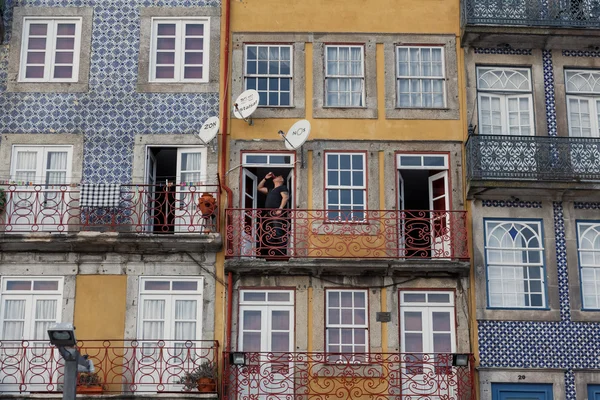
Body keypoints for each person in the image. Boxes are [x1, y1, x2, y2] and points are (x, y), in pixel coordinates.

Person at [258, 172, 289, 257]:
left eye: (278, 176)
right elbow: (259, 188)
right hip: (269, 214)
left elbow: (285, 197)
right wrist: (265, 178)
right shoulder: (271, 190)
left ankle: (282, 252)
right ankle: (272, 251)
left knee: (278, 231)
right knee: (270, 233)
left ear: (281, 180)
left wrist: (280, 209)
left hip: (276, 213)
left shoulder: (282, 187)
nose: (275, 176)